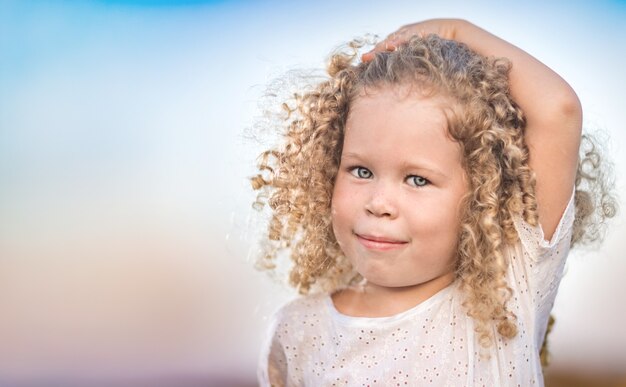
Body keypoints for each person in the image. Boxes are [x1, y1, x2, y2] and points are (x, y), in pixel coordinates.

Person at [251, 18, 616, 386]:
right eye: (361, 171)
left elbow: (559, 110)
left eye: (417, 179)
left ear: (484, 199)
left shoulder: (508, 294)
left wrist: (454, 30)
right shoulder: (298, 331)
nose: (379, 203)